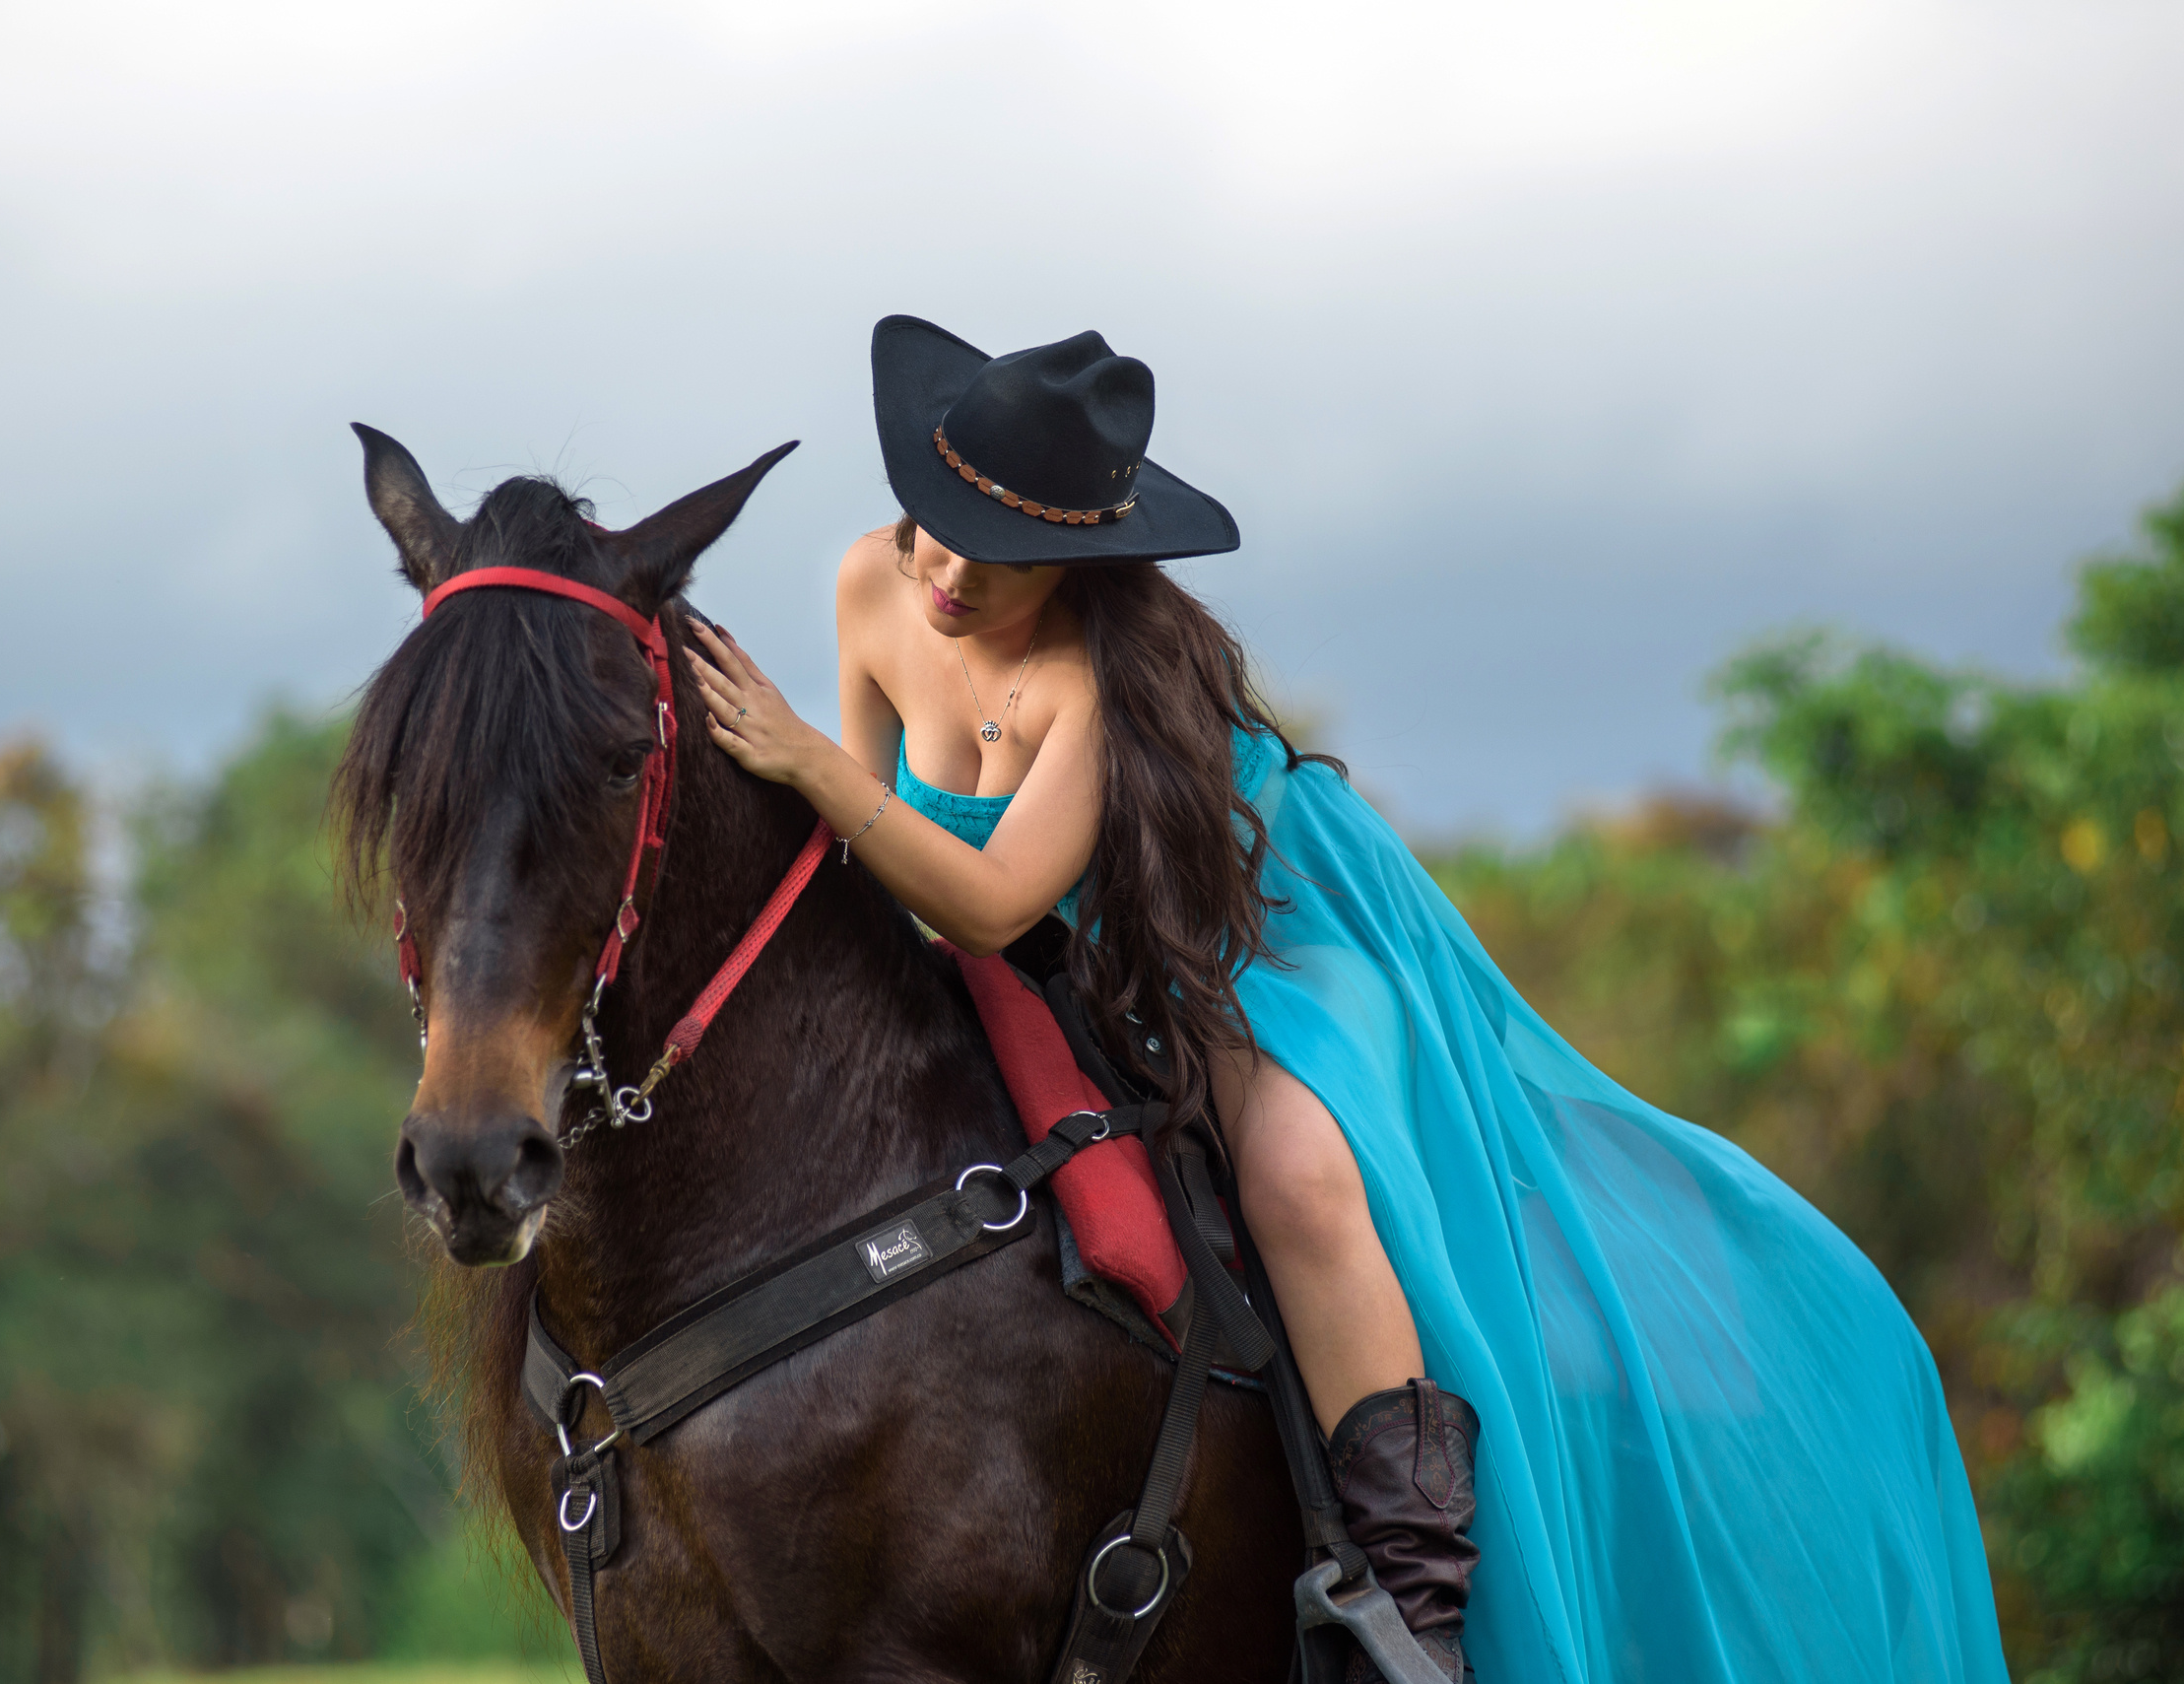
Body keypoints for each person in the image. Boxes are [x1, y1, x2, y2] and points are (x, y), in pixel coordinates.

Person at [681, 315, 2008, 1684]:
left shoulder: (1095, 684)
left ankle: (1406, 1612)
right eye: (927, 528)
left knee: (1296, 1168)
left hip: (1240, 942)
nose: (944, 573)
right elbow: (890, 863)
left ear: (1075, 561)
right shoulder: (870, 583)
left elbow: (995, 894)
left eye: (994, 551)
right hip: (1042, 966)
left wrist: (796, 758)